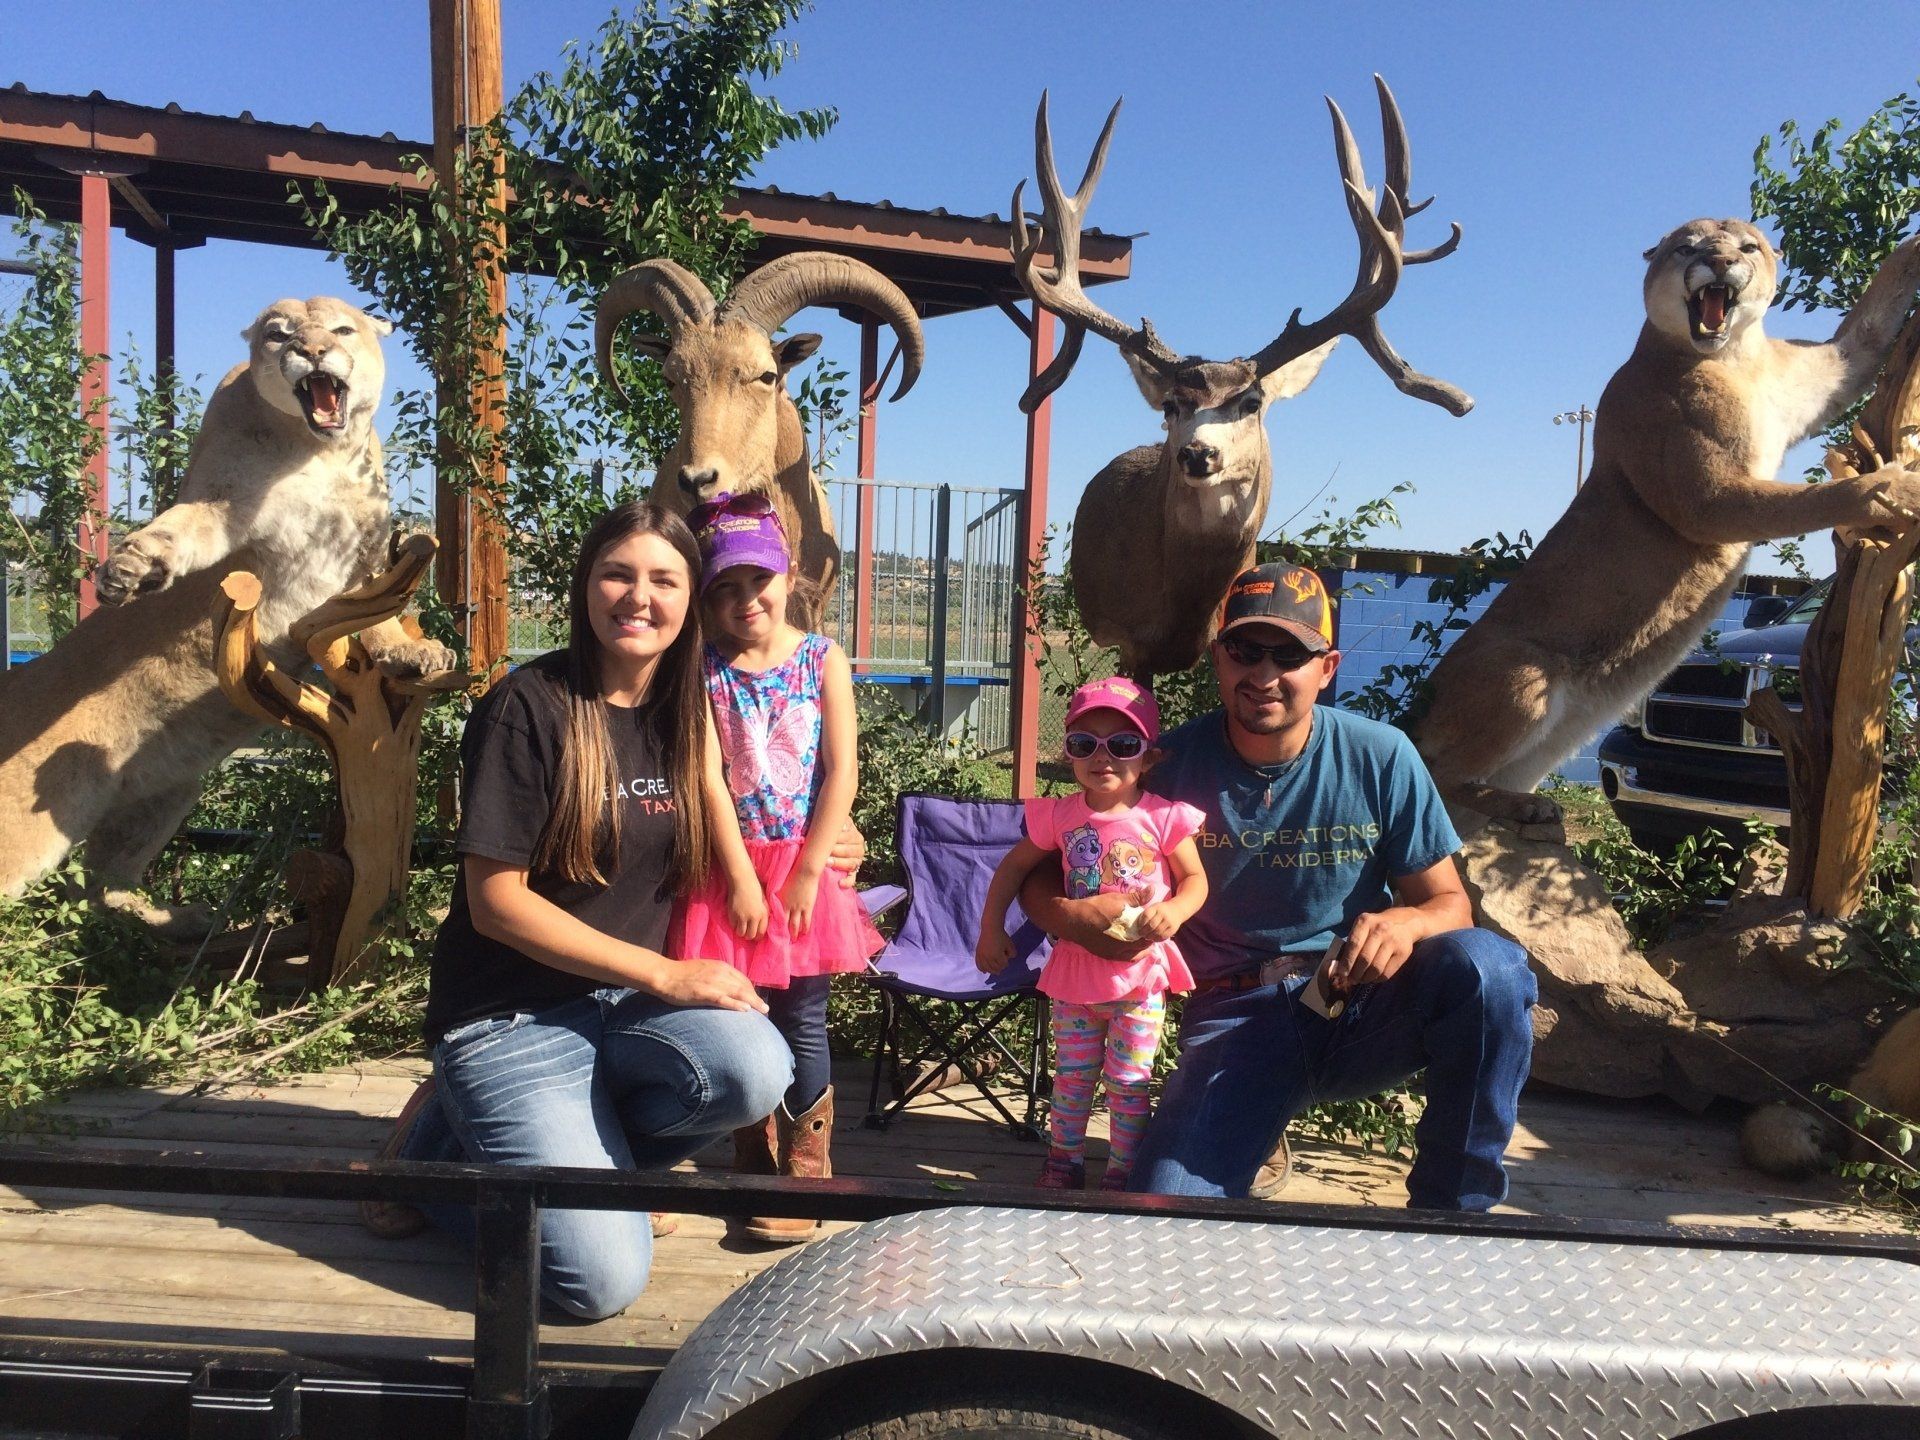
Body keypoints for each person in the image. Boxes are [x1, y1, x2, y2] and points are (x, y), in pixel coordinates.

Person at [360, 501, 796, 1322]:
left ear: (691, 600)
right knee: (594, 1286)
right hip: (510, 1017)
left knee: (753, 1066)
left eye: (665, 580)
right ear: (585, 588)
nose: (639, 597)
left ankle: (531, 1158)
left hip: (624, 1012)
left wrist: (830, 836)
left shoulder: (682, 711)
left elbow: (760, 801)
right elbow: (494, 906)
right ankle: (428, 1168)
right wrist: (667, 974)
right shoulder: (529, 707)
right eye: (617, 574)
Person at [1022, 563, 1537, 1210]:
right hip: (1235, 1021)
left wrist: (1405, 923)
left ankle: (1453, 1213)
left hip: (1353, 1001)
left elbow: (1450, 903)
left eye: (1290, 654)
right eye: (1245, 650)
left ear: (1327, 667)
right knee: (1160, 1213)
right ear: (1218, 659)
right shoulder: (1167, 765)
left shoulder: (1381, 756)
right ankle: (1246, 1133)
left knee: (1490, 970)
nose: (1263, 674)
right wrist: (1072, 917)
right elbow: (1042, 869)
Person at [671, 491, 883, 1243]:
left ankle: (805, 1165)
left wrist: (805, 872)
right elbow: (705, 777)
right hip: (729, 867)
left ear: (788, 574)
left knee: (803, 1015)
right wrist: (735, 878)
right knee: (736, 1009)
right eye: (723, 588)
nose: (743, 600)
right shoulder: (701, 667)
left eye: (755, 581)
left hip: (805, 868)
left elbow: (842, 772)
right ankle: (749, 1150)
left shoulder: (823, 659)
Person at [977, 677, 1207, 1192]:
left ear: (1148, 758)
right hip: (1075, 973)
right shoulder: (1059, 814)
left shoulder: (1163, 816)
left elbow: (1195, 879)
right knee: (1072, 1077)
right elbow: (1011, 870)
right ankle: (1064, 1161)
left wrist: (1176, 910)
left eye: (1123, 745)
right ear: (1070, 753)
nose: (1102, 758)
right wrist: (989, 929)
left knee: (1129, 1082)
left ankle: (1123, 1170)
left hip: (1140, 976)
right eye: (1085, 744)